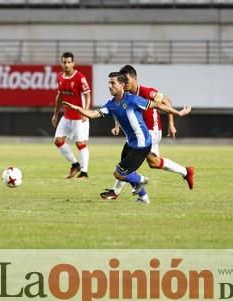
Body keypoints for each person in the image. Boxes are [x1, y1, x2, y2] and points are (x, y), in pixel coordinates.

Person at [63, 72, 191, 203]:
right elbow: (92, 114)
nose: (109, 86)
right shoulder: (111, 104)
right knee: (126, 171)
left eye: (113, 83)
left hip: (142, 145)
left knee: (119, 173)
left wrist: (178, 113)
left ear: (122, 85)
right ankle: (143, 198)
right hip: (131, 143)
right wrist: (76, 108)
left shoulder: (133, 100)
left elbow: (158, 105)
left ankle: (142, 180)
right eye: (109, 83)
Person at [101, 65, 195, 200]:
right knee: (152, 163)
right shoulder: (124, 95)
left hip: (151, 131)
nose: (124, 83)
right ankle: (185, 172)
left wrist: (172, 123)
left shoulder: (147, 92)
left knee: (128, 162)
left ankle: (117, 192)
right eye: (122, 80)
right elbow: (120, 110)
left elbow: (166, 101)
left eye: (126, 80)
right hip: (138, 132)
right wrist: (116, 125)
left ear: (134, 78)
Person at [52, 52, 92, 179]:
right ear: (61, 63)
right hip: (67, 116)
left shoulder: (80, 77)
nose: (66, 64)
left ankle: (84, 172)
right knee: (58, 141)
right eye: (64, 62)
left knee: (80, 143)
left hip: (79, 117)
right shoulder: (60, 77)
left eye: (69, 62)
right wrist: (55, 114)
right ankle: (75, 164)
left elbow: (87, 94)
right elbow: (60, 96)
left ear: (73, 63)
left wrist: (86, 111)